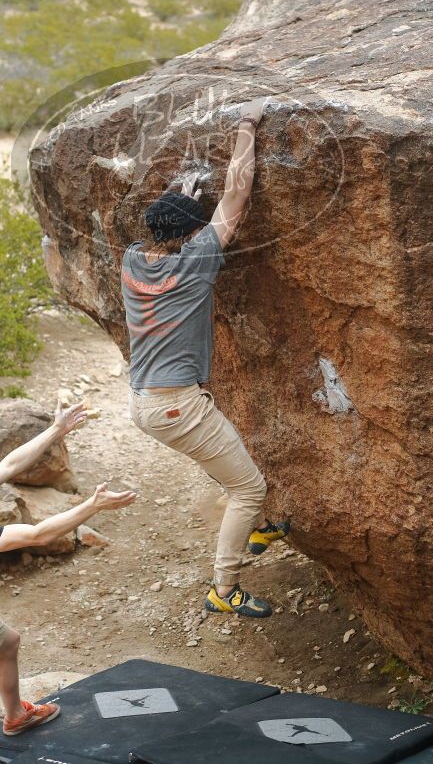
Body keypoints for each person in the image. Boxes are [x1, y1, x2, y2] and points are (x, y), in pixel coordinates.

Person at [121, 96, 290, 620]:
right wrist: (247, 123)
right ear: (191, 234)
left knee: (227, 465)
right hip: (177, 407)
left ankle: (254, 527)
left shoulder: (132, 259)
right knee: (249, 486)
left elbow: (167, 226)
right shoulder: (197, 262)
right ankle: (225, 588)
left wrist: (182, 198)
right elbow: (237, 193)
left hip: (149, 403)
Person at [0, 400, 137, 764]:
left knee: (8, 643)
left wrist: (57, 429)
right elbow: (36, 534)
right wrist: (93, 506)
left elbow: (10, 464)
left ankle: (16, 717)